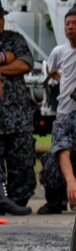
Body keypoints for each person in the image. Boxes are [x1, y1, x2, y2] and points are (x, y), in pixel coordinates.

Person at [39, 85, 76, 216]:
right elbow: (63, 151)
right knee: (51, 161)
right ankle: (55, 202)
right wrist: (70, 181)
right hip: (68, 176)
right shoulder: (64, 122)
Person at [0, 11, 32, 216]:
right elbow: (14, 61)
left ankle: (17, 201)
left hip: (17, 115)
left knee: (21, 161)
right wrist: (7, 59)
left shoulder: (15, 39)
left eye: (0, 18)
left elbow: (25, 64)